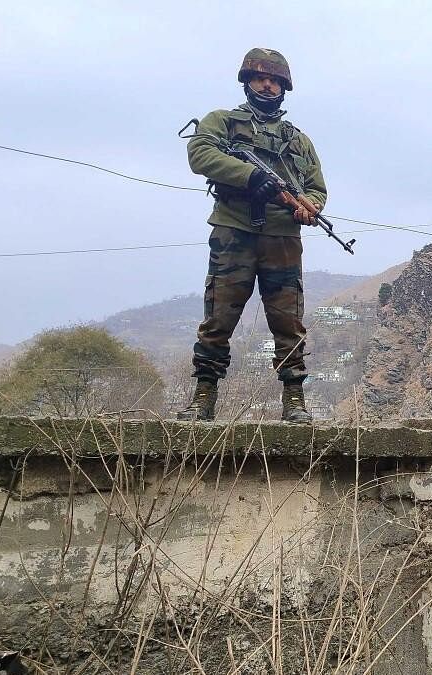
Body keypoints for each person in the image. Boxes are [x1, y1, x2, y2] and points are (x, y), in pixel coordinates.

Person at [176, 48, 327, 423]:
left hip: (283, 238)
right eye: (260, 77)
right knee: (219, 318)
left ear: (284, 87)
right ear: (247, 81)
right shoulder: (223, 122)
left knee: (288, 322)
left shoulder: (299, 140)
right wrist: (250, 177)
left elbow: (317, 189)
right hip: (234, 232)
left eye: (274, 79)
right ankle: (203, 397)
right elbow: (200, 155)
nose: (267, 84)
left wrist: (307, 207)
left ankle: (294, 400)